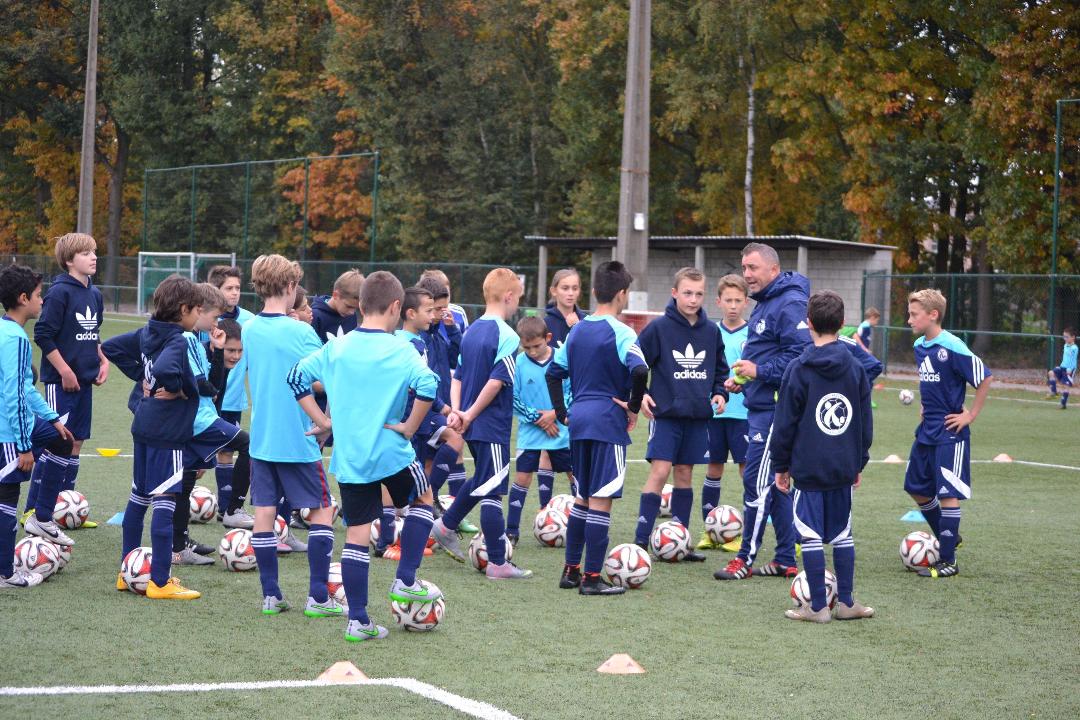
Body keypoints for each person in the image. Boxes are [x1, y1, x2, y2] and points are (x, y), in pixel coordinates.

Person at [292, 271, 443, 642]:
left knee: (357, 534)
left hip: (350, 456)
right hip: (392, 453)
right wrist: (410, 426)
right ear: (396, 307)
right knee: (424, 500)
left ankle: (358, 621)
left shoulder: (336, 348)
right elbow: (428, 384)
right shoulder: (401, 349)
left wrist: (323, 421)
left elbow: (295, 378)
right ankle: (405, 579)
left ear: (360, 305)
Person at [546, 260, 649, 596]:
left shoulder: (576, 331)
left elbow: (553, 373)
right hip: (606, 421)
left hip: (579, 421)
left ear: (592, 292)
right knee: (601, 500)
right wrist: (633, 406)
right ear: (623, 294)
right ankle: (592, 578)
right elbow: (640, 370)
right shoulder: (622, 332)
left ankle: (571, 571)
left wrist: (562, 412)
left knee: (582, 498)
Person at [243, 255, 338, 616]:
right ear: (290, 286)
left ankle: (271, 596)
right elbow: (328, 376)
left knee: (265, 513)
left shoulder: (250, 328)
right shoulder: (301, 332)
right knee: (323, 510)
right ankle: (318, 598)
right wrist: (327, 420)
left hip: (262, 439)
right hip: (298, 438)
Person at [772, 290, 874, 623]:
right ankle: (846, 603)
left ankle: (818, 607)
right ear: (842, 324)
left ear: (809, 323)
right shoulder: (856, 368)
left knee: (810, 534)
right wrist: (858, 462)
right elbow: (864, 422)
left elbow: (784, 423)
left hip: (808, 467)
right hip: (843, 466)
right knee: (843, 534)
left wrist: (781, 466)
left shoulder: (797, 369)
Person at [102, 275, 204, 600]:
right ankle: (160, 580)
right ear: (184, 309)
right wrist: (176, 389)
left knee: (139, 496)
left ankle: (126, 572)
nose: (199, 316)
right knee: (165, 499)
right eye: (197, 310)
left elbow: (110, 347)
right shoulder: (177, 340)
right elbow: (165, 370)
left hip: (144, 425)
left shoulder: (147, 332)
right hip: (167, 431)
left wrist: (142, 377)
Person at [715, 242, 811, 581]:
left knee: (756, 484)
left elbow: (802, 356)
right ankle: (785, 558)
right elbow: (769, 354)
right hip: (761, 405)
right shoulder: (767, 302)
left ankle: (744, 558)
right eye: (744, 268)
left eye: (752, 268)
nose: (747, 275)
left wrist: (760, 371)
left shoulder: (790, 303)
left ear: (773, 269)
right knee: (777, 485)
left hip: (775, 412)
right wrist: (745, 379)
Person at [430, 268, 534, 580]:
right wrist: (470, 414)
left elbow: (457, 377)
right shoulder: (508, 335)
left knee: (484, 479)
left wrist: (459, 412)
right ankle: (498, 562)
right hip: (491, 424)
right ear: (509, 297)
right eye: (518, 299)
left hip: (473, 424)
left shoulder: (472, 330)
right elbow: (496, 382)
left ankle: (445, 525)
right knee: (493, 490)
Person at [632, 268, 728, 561]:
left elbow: (720, 368)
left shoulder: (711, 331)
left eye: (698, 294)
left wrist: (720, 392)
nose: (693, 299)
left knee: (685, 474)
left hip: (697, 416)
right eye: (687, 293)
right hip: (666, 415)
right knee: (660, 472)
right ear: (674, 293)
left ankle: (680, 543)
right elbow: (635, 361)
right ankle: (640, 542)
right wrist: (641, 394)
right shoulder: (659, 328)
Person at [904, 288, 992, 578]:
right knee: (916, 487)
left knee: (947, 493)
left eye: (914, 314)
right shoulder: (919, 346)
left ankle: (948, 561)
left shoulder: (953, 346)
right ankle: (949, 536)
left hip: (950, 433)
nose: (909, 320)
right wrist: (925, 404)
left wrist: (970, 415)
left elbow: (984, 377)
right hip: (926, 429)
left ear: (933, 315)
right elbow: (934, 381)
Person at [24, 233, 108, 528]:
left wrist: (102, 360)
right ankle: (34, 510)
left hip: (85, 383)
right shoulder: (60, 293)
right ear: (70, 260)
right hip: (61, 383)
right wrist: (64, 370)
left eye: (94, 252)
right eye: (86, 253)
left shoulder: (95, 294)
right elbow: (43, 334)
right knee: (57, 441)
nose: (93, 257)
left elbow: (93, 334)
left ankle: (65, 509)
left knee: (76, 442)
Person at [0, 264, 76, 588]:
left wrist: (52, 418)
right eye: (37, 294)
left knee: (62, 440)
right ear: (22, 298)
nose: (41, 300)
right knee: (7, 498)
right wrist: (23, 447)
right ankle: (5, 574)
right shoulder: (15, 339)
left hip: (19, 424)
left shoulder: (6, 330)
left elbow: (24, 387)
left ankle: (42, 517)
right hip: (8, 433)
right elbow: (13, 395)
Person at [171, 283, 252, 566]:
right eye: (215, 317)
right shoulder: (185, 339)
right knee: (248, 443)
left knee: (186, 483)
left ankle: (179, 544)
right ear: (199, 310)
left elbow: (213, 387)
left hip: (200, 419)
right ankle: (233, 509)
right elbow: (204, 386)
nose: (216, 323)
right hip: (196, 421)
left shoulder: (196, 340)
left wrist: (218, 353)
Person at [506, 315, 574, 543]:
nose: (533, 352)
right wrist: (538, 418)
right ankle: (512, 531)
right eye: (527, 347)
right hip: (530, 433)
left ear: (548, 338)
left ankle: (581, 526)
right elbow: (512, 398)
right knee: (522, 477)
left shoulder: (562, 359)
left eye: (537, 346)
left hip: (561, 430)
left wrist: (555, 414)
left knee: (574, 474)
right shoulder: (518, 363)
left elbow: (572, 391)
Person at [697, 274, 750, 551]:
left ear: (746, 302)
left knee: (747, 473)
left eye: (738, 300)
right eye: (728, 300)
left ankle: (746, 535)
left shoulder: (753, 334)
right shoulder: (710, 332)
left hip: (744, 415)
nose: (733, 306)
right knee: (713, 468)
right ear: (718, 302)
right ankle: (710, 531)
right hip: (714, 413)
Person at [415, 276, 472, 528]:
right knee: (455, 439)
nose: (440, 314)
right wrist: (441, 405)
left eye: (443, 308)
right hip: (427, 409)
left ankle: (424, 506)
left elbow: (456, 358)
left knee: (429, 462)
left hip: (438, 406)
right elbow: (420, 379)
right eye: (436, 309)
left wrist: (452, 331)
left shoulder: (438, 333)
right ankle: (431, 497)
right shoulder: (418, 338)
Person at [205, 265, 257, 530]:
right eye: (229, 288)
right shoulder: (206, 320)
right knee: (207, 455)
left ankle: (226, 507)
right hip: (207, 399)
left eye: (237, 288)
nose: (235, 293)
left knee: (228, 452)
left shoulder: (249, 320)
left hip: (233, 399)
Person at [310, 270, 363, 343]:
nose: (352, 312)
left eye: (356, 308)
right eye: (348, 306)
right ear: (336, 295)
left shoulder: (351, 316)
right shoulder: (314, 316)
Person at [419, 268, 470, 337]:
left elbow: (465, 341)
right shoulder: (419, 320)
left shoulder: (459, 312)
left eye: (447, 294)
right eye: (438, 308)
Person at [544, 268, 587, 348]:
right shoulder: (545, 324)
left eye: (575, 288)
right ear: (554, 291)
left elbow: (590, 349)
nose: (571, 293)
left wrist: (577, 327)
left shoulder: (587, 321)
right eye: (565, 288)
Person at [1046, 327, 1076, 409]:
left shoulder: (1074, 348)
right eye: (1064, 336)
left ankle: (1063, 404)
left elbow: (1073, 359)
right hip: (1062, 367)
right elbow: (1066, 358)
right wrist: (1061, 365)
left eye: (1067, 337)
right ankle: (1054, 392)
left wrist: (1070, 368)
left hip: (1069, 369)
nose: (1064, 338)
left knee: (1066, 386)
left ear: (1073, 337)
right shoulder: (1065, 345)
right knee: (1051, 373)